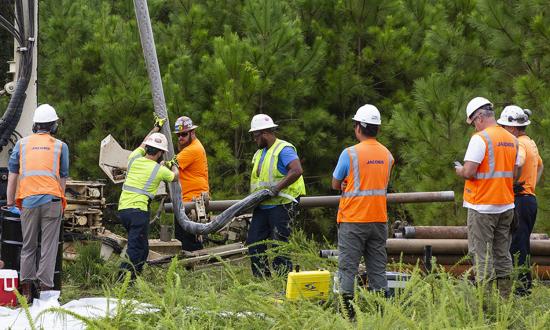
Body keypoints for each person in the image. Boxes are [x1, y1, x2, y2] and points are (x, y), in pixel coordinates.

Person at [332, 104, 394, 319]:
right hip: (378, 220)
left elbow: (335, 183)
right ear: (377, 128)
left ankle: (347, 317)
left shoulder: (349, 154)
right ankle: (381, 317)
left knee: (347, 269)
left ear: (358, 127)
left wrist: (345, 184)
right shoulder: (387, 155)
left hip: (353, 220)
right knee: (377, 270)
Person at [455, 97, 520, 297]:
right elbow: (515, 173)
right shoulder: (512, 139)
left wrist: (459, 170)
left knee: (481, 255)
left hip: (481, 206)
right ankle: (505, 301)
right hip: (506, 205)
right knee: (502, 254)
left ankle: (487, 306)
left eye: (473, 122)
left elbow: (469, 171)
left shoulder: (480, 138)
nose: (474, 126)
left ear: (480, 117)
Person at [5, 104, 69, 301]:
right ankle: (45, 290)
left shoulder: (21, 144)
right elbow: (62, 179)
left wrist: (10, 202)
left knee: (28, 245)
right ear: (53, 127)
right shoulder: (60, 146)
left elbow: (12, 176)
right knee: (49, 247)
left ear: (35, 125)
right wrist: (60, 202)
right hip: (52, 201)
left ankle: (25, 290)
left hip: (29, 202)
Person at [118, 117, 178, 279]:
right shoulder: (159, 170)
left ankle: (134, 278)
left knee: (143, 249)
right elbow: (175, 177)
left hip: (124, 210)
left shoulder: (134, 158)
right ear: (160, 153)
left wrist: (156, 128)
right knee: (135, 249)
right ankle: (122, 281)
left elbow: (143, 143)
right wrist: (172, 164)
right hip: (138, 211)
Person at [247, 114, 306, 277]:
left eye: (255, 135)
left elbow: (296, 170)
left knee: (279, 245)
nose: (254, 139)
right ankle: (262, 280)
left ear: (264, 133)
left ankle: (284, 281)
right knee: (254, 242)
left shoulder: (284, 149)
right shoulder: (260, 153)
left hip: (282, 204)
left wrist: (276, 188)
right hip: (263, 205)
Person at [497, 105, 543, 296]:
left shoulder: (520, 144)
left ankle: (522, 290)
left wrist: (512, 181)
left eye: (505, 127)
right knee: (523, 244)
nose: (503, 130)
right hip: (529, 199)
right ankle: (524, 287)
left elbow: (519, 161)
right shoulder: (530, 142)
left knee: (517, 246)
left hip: (520, 200)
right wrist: (530, 186)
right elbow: (540, 166)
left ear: (513, 128)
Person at [172, 116, 209, 251]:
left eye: (184, 134)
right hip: (188, 200)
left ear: (192, 133)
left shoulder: (192, 149)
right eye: (178, 135)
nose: (180, 138)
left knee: (189, 243)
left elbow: (170, 165)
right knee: (184, 241)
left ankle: (197, 268)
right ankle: (190, 269)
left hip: (191, 201)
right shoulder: (192, 147)